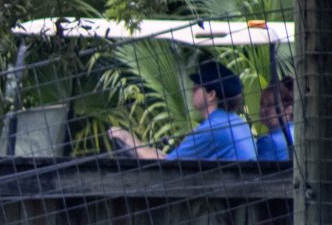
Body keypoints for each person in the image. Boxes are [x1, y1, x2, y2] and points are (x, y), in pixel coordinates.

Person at [108, 59, 256, 160]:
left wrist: (127, 138)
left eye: (198, 85)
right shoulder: (236, 122)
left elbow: (168, 165)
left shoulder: (213, 128)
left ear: (211, 95)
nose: (192, 89)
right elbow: (173, 158)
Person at [255, 77, 294, 161]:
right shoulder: (298, 131)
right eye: (261, 103)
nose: (262, 109)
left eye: (270, 105)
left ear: (289, 109)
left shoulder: (268, 141)